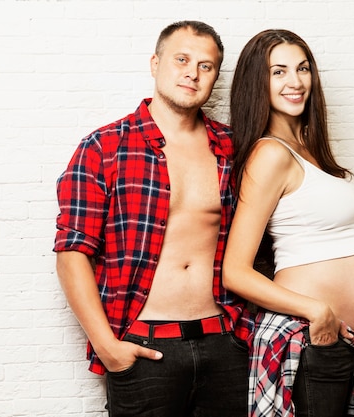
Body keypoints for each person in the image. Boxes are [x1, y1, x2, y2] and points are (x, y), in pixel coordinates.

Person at [223, 29, 354, 417]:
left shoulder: (309, 151)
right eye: (278, 72)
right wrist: (318, 311)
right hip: (312, 340)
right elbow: (235, 272)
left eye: (302, 68)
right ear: (256, 82)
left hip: (343, 341)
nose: (296, 81)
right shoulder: (270, 155)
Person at [54, 20, 250, 417]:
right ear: (155, 63)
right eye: (182, 59)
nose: (192, 73)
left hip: (226, 343)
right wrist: (108, 346)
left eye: (206, 65)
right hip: (144, 348)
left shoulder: (233, 148)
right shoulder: (105, 146)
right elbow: (73, 252)